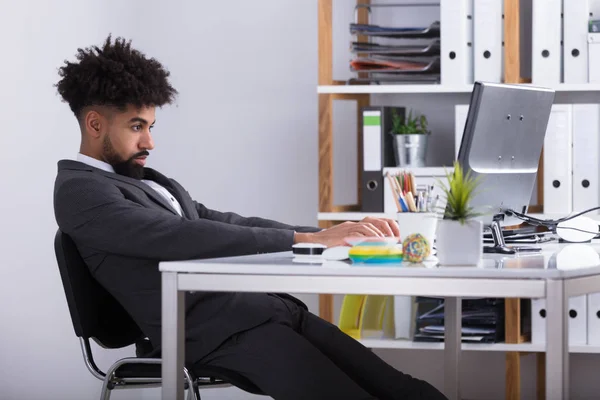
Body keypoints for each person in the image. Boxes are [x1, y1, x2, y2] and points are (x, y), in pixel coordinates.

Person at [53, 35, 447, 400]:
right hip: (212, 335)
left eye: (151, 127)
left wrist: (325, 234)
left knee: (403, 389)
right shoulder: (79, 191)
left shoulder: (148, 180)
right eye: (136, 127)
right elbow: (179, 236)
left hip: (263, 312)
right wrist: (301, 242)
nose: (150, 142)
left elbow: (224, 221)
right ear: (94, 123)